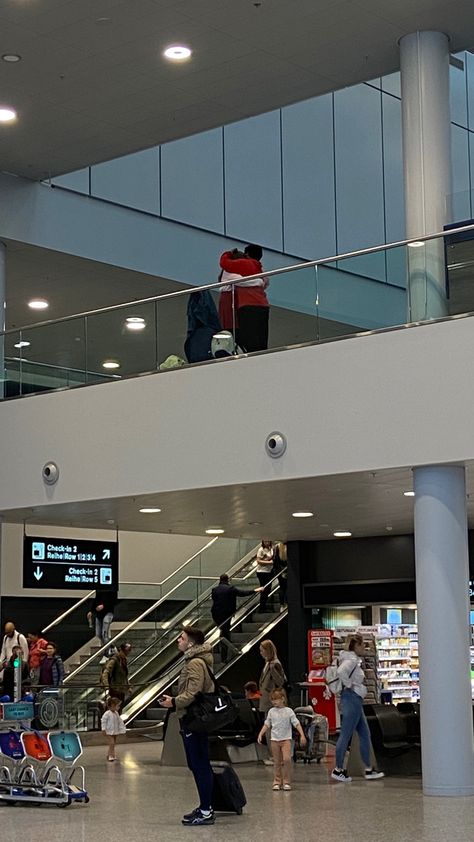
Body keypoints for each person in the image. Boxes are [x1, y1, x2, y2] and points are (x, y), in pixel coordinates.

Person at [160, 626, 216, 826]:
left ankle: (206, 810)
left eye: (181, 638)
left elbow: (193, 692)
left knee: (199, 764)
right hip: (196, 718)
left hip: (194, 719)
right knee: (199, 764)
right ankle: (205, 806)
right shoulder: (200, 660)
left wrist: (174, 702)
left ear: (191, 643)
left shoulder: (194, 663)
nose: (178, 641)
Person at [331, 633, 384, 782]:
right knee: (346, 734)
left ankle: (368, 768)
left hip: (354, 700)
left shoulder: (348, 658)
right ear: (356, 646)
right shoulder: (351, 660)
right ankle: (338, 769)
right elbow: (341, 672)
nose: (364, 648)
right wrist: (350, 685)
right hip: (352, 699)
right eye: (362, 645)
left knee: (365, 734)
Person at [219, 244, 270, 352]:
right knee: (251, 335)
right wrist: (259, 281)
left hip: (238, 303)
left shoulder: (238, 267)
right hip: (235, 304)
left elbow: (239, 279)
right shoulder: (255, 267)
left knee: (244, 335)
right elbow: (263, 280)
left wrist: (227, 254)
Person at [258, 688, 306, 790]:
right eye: (272, 699)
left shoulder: (289, 711)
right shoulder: (271, 711)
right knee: (277, 761)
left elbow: (296, 723)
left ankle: (287, 781)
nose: (274, 702)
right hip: (274, 740)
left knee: (287, 759)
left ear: (283, 699)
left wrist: (302, 735)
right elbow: (267, 724)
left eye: (276, 699)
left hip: (286, 740)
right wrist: (261, 734)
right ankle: (277, 781)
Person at [211, 573, 262, 662]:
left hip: (216, 615)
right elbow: (242, 593)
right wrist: (255, 590)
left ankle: (224, 653)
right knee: (225, 634)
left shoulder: (214, 590)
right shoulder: (230, 589)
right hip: (227, 615)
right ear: (228, 580)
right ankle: (225, 656)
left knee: (223, 632)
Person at [87, 589, 118, 662]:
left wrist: (104, 605)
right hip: (99, 614)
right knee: (98, 634)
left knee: (105, 634)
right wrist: (91, 611)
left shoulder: (112, 588)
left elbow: (114, 601)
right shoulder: (99, 589)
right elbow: (96, 599)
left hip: (108, 612)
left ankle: (106, 654)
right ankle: (112, 646)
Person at [101, 642, 132, 708]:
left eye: (127, 653)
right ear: (120, 650)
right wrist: (107, 687)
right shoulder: (114, 660)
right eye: (125, 652)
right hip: (114, 690)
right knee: (114, 709)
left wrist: (128, 686)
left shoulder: (123, 660)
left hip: (121, 690)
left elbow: (124, 675)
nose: (126, 655)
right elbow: (105, 673)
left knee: (119, 709)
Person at [101, 696, 126, 762]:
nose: (118, 707)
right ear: (111, 706)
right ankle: (110, 755)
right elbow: (103, 721)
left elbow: (120, 721)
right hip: (109, 731)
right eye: (117, 706)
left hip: (115, 731)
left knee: (113, 743)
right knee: (111, 743)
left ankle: (112, 754)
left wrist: (121, 728)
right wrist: (103, 729)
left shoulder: (116, 713)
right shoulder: (107, 713)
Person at [255, 540, 274, 612]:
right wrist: (269, 562)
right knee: (264, 589)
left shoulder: (271, 549)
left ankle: (264, 605)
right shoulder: (261, 550)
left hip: (269, 571)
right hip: (262, 572)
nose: (267, 543)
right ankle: (262, 607)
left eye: (268, 541)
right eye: (265, 542)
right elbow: (258, 561)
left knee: (268, 589)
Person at [273, 541, 288, 611]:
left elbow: (275, 561)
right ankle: (287, 603)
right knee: (288, 587)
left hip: (279, 571)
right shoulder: (288, 547)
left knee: (282, 588)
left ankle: (282, 605)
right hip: (287, 570)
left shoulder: (277, 547)